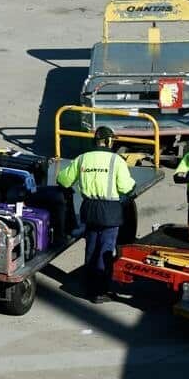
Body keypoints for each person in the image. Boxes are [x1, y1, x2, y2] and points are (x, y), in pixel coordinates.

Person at [57, 126, 136, 303]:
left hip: (89, 209)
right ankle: (100, 291)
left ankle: (89, 287)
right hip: (109, 211)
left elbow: (63, 180)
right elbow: (127, 187)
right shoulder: (116, 161)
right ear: (108, 141)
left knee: (91, 248)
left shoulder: (82, 158)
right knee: (106, 250)